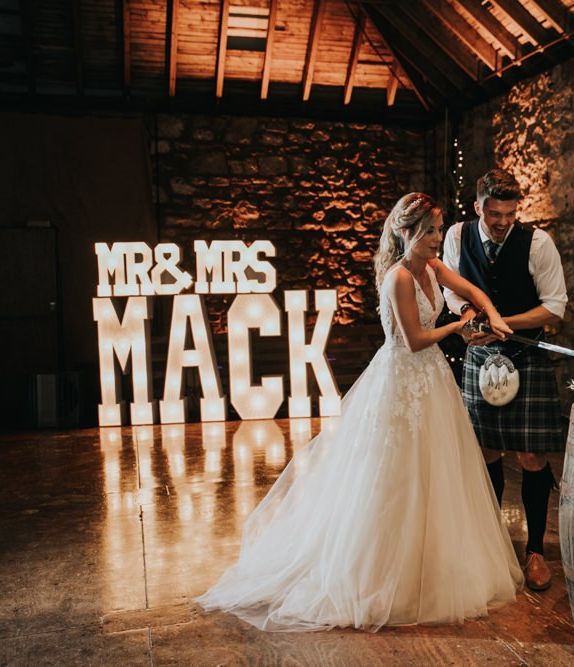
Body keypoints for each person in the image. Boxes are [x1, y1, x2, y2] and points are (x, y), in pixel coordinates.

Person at [197, 192, 524, 631]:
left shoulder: (431, 267)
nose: (436, 238)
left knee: (436, 473)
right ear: (405, 232)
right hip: (401, 380)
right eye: (428, 230)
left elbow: (469, 289)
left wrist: (492, 313)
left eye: (438, 228)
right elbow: (413, 340)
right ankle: (384, 573)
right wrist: (459, 326)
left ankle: (435, 562)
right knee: (394, 476)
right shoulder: (399, 279)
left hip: (431, 384)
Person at [443, 169, 568, 592]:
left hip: (526, 354)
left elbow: (554, 306)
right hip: (480, 356)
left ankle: (535, 551)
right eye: (494, 213)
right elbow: (453, 293)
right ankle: (489, 546)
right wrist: (466, 319)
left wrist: (502, 322)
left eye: (510, 214)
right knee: (486, 452)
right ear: (478, 206)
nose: (502, 222)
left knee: (532, 457)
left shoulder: (537, 243)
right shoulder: (457, 237)